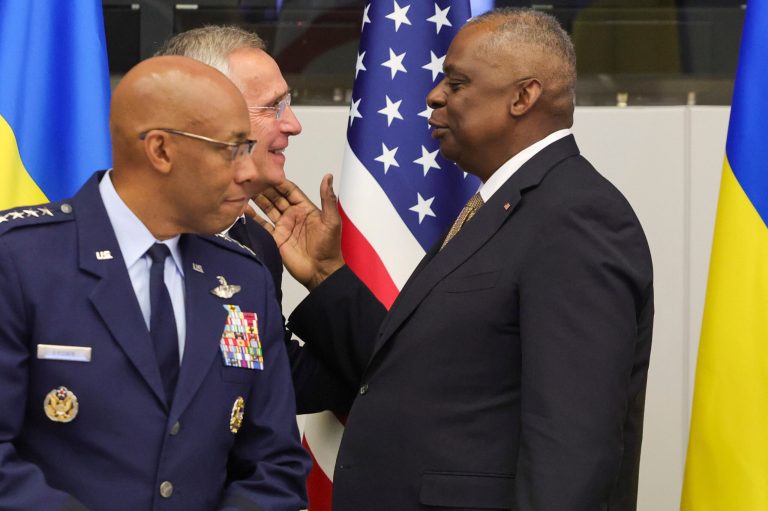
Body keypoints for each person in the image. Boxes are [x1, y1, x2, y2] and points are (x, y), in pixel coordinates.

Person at [256, 8, 654, 511]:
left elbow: (573, 444)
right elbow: (421, 369)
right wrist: (327, 276)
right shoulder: (499, 206)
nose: (434, 95)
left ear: (522, 96)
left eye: (457, 82)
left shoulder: (576, 216)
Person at [0, 56, 310, 511]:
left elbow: (275, 463)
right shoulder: (20, 260)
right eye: (231, 149)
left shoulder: (244, 278)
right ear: (161, 151)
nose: (248, 172)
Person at [157, 26, 354, 413]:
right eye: (273, 107)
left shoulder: (254, 245)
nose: (294, 124)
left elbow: (281, 383)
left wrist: (327, 276)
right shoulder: (73, 245)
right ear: (203, 115)